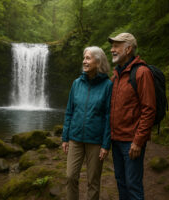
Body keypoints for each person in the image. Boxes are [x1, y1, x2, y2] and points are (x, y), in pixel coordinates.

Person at [108, 32, 156, 200]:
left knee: (133, 185)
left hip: (131, 142)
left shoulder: (142, 73)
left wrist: (138, 141)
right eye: (112, 46)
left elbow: (149, 109)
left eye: (116, 46)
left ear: (128, 49)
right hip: (116, 139)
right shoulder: (116, 75)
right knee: (121, 182)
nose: (112, 49)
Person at [62, 46, 113, 200]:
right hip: (75, 138)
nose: (84, 61)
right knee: (70, 176)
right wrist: (65, 137)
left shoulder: (107, 86)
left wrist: (106, 144)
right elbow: (69, 111)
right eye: (84, 58)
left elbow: (109, 116)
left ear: (98, 62)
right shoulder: (76, 84)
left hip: (95, 141)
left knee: (93, 181)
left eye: (88, 58)